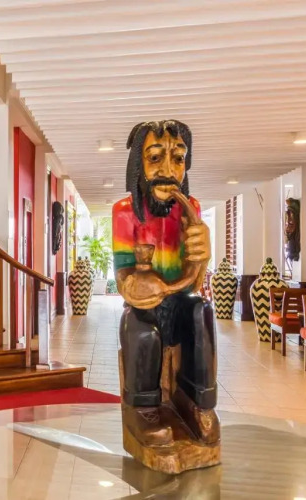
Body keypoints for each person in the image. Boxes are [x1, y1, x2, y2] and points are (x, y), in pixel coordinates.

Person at [112, 120, 219, 447]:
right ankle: (143, 407)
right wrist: (136, 285)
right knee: (142, 329)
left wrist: (202, 254)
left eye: (178, 159)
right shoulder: (124, 212)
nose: (169, 171)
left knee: (200, 313)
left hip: (179, 298)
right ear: (138, 164)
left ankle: (198, 400)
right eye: (155, 158)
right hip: (144, 305)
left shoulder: (191, 210)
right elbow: (123, 276)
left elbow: (194, 282)